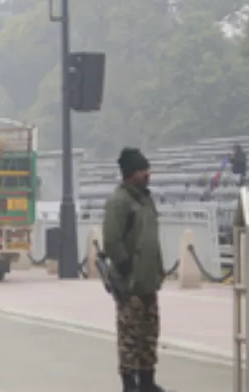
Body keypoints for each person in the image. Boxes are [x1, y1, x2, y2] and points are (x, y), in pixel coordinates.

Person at [102, 148, 165, 392]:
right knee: (130, 337)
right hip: (130, 283)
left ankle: (147, 381)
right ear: (130, 173)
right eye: (142, 170)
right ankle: (129, 384)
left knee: (149, 334)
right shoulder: (120, 201)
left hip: (148, 281)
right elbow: (112, 240)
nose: (147, 174)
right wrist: (126, 266)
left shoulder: (145, 199)